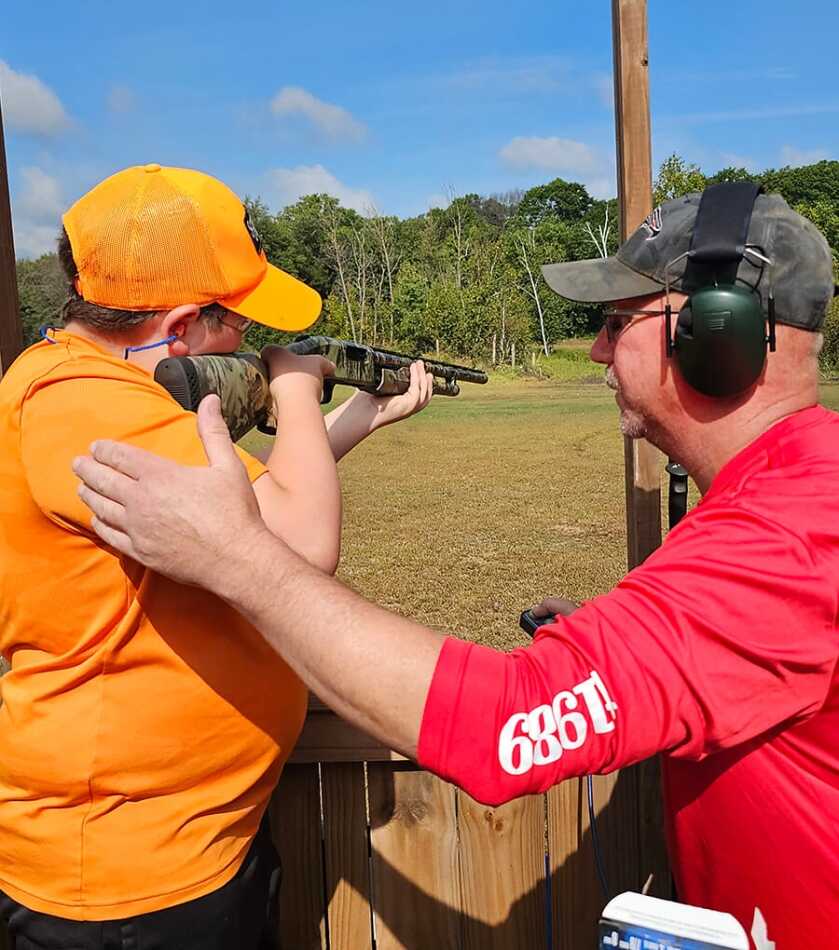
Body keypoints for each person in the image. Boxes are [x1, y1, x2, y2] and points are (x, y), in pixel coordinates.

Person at [72, 186, 838, 947]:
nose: (599, 349)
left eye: (615, 324)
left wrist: (236, 559)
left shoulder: (787, 530)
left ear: (716, 334)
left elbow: (507, 722)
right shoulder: (788, 495)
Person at [0, 163, 433, 949]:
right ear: (183, 326)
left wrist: (359, 418)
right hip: (129, 878)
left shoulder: (93, 389)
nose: (253, 343)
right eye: (238, 324)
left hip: (181, 842)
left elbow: (240, 513)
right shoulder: (90, 403)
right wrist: (297, 392)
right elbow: (298, 544)